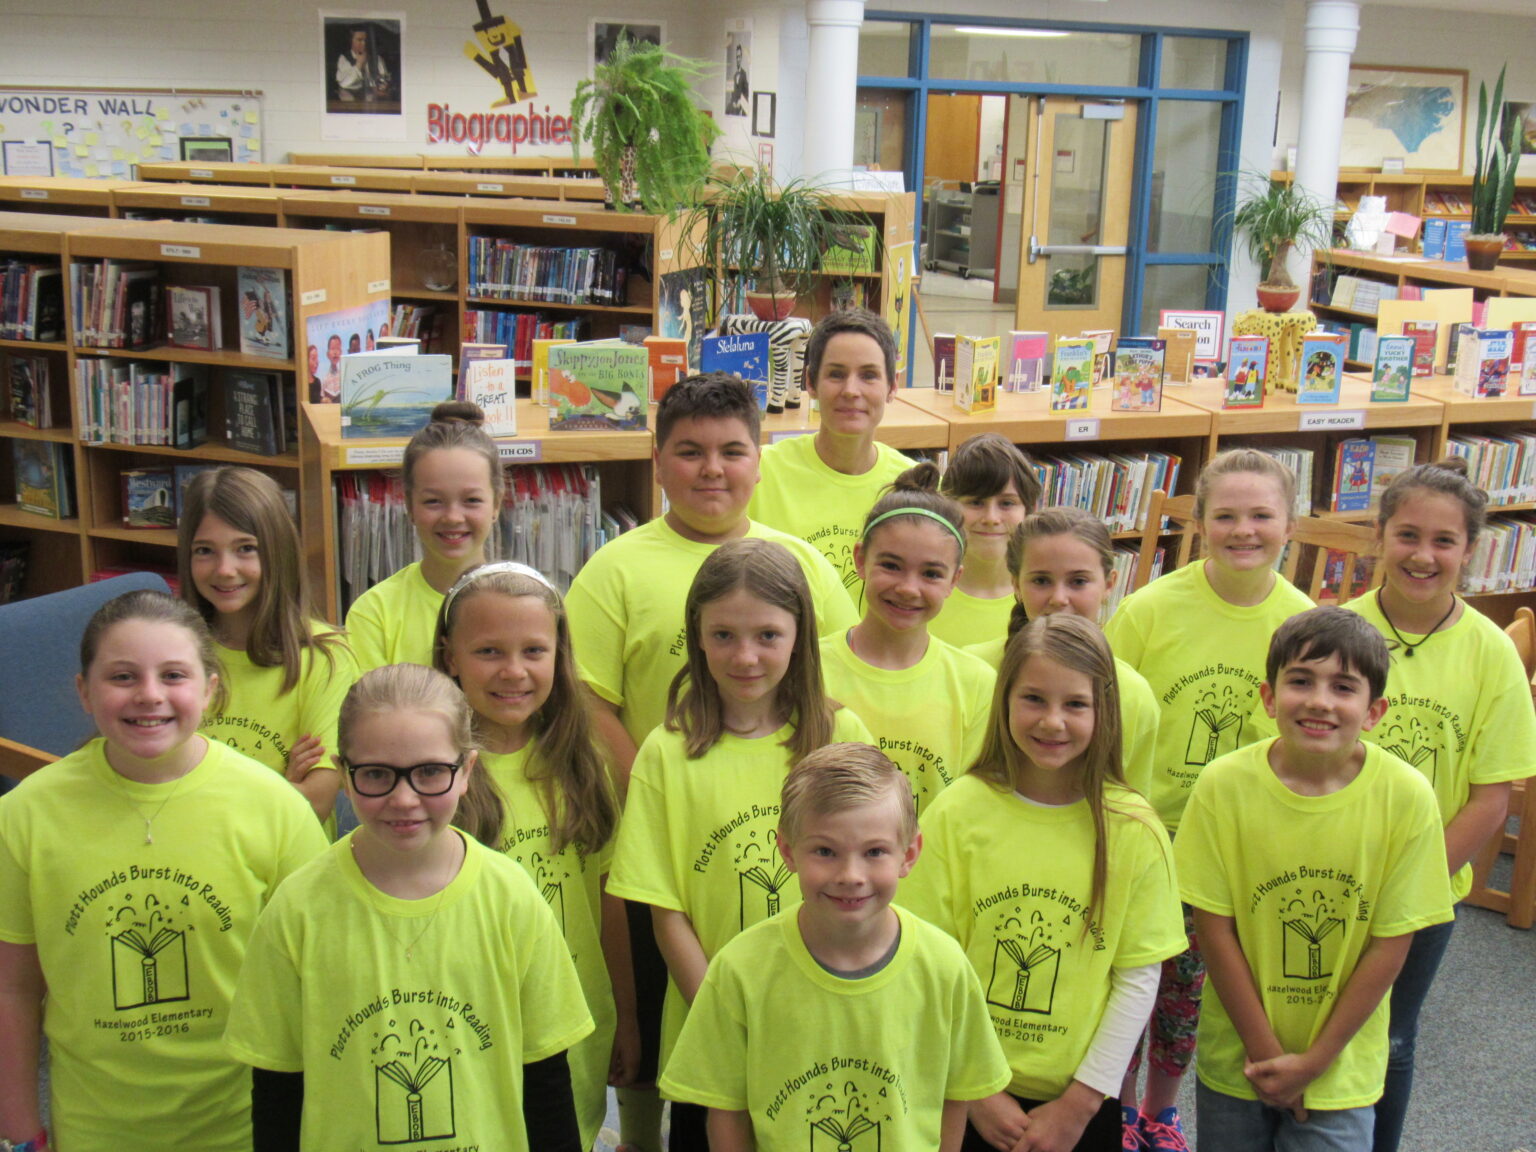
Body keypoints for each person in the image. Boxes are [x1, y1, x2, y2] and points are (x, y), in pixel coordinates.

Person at [0, 591, 326, 1152]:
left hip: (246, 1125)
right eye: (122, 676)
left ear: (210, 689)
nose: (149, 694)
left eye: (173, 675)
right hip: (95, 1130)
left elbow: (317, 984)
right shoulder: (25, 815)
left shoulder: (274, 808)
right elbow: (14, 989)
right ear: (84, 691)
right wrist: (21, 1134)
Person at [223, 664, 593, 1152]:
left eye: (430, 772)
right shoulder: (297, 910)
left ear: (467, 771)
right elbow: (277, 1091)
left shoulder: (512, 899)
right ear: (344, 775)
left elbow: (546, 1084)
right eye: (377, 774)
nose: (404, 799)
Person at [607, 538, 875, 1152]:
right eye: (723, 635)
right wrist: (726, 1017)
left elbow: (866, 886)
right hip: (710, 1032)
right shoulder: (667, 753)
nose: (745, 656)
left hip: (824, 1023)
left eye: (768, 636)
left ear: (800, 636)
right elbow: (665, 909)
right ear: (697, 637)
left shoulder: (841, 736)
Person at [1176, 608, 1454, 1151]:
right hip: (1238, 1061)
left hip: (1341, 1069)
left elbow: (1390, 946)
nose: (1320, 701)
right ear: (1268, 697)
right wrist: (1265, 1051)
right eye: (1301, 681)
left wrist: (1314, 1063)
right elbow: (1214, 930)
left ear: (1374, 712)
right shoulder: (1222, 786)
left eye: (1343, 687)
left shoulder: (1407, 797)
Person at [906, 615, 1186, 1152]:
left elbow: (1137, 978)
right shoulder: (958, 812)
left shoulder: (1134, 828)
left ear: (1105, 710)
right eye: (1033, 699)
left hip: (1080, 1104)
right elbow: (925, 962)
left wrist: (1080, 1104)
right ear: (1005, 700)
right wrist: (976, 1090)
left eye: (1075, 704)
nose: (1052, 721)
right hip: (956, 1090)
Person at [1103, 448, 1313, 1150]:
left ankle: (1160, 1112)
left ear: (1291, 525)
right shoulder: (1148, 611)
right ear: (1199, 523)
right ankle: (1118, 1109)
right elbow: (1107, 714)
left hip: (1233, 845)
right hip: (1145, 834)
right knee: (1126, 979)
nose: (1243, 530)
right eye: (1225, 515)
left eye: (1261, 516)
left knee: (1188, 994)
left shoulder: (1301, 624)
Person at [660, 743, 1012, 1151]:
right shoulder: (739, 970)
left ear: (909, 853)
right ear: (788, 851)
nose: (850, 875)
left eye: (874, 852)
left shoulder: (945, 968)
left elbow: (956, 1096)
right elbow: (726, 1110)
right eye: (825, 851)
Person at [1342, 459, 1536, 1152]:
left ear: (1470, 549)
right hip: (1326, 872)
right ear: (1380, 536)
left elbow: (1490, 798)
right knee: (1301, 1026)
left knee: (1391, 1038)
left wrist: (1411, 887)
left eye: (1444, 541)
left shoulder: (1490, 654)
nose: (1423, 555)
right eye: (1408, 535)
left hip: (1424, 893)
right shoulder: (1335, 630)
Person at [566, 372, 857, 789]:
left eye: (732, 452)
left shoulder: (806, 565)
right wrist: (651, 793)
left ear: (758, 462)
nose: (712, 469)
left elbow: (845, 687)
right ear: (658, 464)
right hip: (666, 804)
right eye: (691, 453)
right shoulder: (612, 571)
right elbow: (588, 705)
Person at [434, 561, 635, 1151]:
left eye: (533, 651)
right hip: (474, 1029)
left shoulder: (584, 765)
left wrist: (626, 1014)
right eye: (489, 651)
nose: (513, 671)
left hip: (574, 1026)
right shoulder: (437, 780)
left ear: (560, 656)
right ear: (450, 657)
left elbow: (607, 900)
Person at [179, 467, 356, 824]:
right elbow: (143, 785)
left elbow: (313, 805)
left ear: (279, 552)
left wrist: (188, 790)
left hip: (286, 858)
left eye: (246, 549)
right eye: (204, 550)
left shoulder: (324, 658)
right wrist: (279, 786)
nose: (224, 569)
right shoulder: (172, 654)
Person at [817, 462, 993, 814]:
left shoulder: (977, 685)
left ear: (954, 580)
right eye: (891, 566)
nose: (908, 589)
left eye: (931, 573)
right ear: (861, 559)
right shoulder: (811, 668)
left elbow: (974, 808)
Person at [965, 507, 1159, 798]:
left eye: (1078, 581)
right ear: (1016, 584)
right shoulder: (971, 672)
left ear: (1109, 584)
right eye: (1041, 581)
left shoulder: (1133, 695)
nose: (1059, 598)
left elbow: (1128, 805)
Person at [746, 309, 911, 592]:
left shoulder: (912, 487)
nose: (851, 390)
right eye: (836, 374)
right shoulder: (758, 473)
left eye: (868, 375)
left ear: (892, 386)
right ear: (810, 382)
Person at [346, 401, 502, 672]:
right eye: (433, 501)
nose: (453, 517)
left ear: (496, 504)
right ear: (409, 505)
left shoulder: (531, 604)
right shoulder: (375, 614)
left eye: (472, 500)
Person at [930, 432, 1042, 649]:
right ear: (949, 507)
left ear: (1029, 510)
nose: (991, 518)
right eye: (976, 502)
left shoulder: (1043, 598)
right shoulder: (923, 591)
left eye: (1007, 503)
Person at [335, 26, 393, 102]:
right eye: (359, 40)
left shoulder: (377, 59)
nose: (364, 43)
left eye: (366, 40)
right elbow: (343, 84)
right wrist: (359, 64)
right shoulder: (344, 58)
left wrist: (384, 85)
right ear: (351, 41)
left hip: (374, 102)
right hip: (351, 102)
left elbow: (384, 79)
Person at [321, 333, 343, 402]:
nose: (335, 352)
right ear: (327, 354)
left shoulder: (344, 375)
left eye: (338, 349)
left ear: (341, 353)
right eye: (332, 349)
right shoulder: (324, 378)